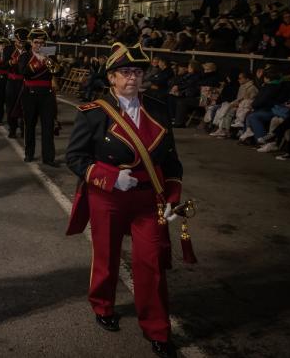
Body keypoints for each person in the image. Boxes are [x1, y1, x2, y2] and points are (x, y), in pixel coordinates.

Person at [66, 42, 187, 358]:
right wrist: (109, 177)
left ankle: (157, 329)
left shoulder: (158, 108)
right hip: (108, 196)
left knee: (152, 262)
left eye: (137, 72)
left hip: (149, 196)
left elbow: (171, 160)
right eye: (125, 72)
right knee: (106, 255)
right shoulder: (93, 113)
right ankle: (102, 305)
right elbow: (75, 158)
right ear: (111, 78)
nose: (132, 77)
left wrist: (172, 196)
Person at [18, 29, 60, 165]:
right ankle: (29, 153)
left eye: (42, 43)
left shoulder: (50, 55)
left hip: (47, 94)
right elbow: (23, 72)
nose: (39, 45)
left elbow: (59, 71)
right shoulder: (25, 56)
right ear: (31, 42)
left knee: (48, 127)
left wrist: (51, 61)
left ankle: (48, 158)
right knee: (29, 125)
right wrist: (39, 62)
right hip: (30, 94)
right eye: (36, 42)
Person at [4, 28, 29, 138]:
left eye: (24, 42)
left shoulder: (29, 49)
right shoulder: (8, 49)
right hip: (12, 82)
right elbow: (3, 65)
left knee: (25, 106)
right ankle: (12, 128)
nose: (22, 44)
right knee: (11, 106)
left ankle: (24, 128)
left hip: (25, 81)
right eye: (20, 41)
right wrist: (11, 62)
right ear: (15, 39)